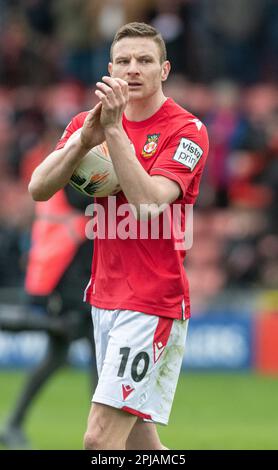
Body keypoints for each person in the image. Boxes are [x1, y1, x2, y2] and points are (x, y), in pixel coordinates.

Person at [28, 22, 209, 450]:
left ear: (164, 70)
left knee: (99, 441)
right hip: (104, 296)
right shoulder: (88, 122)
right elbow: (38, 188)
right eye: (124, 61)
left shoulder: (187, 131)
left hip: (152, 302)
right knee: (139, 444)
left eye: (145, 60)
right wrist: (83, 140)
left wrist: (112, 133)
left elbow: (148, 204)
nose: (133, 69)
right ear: (110, 68)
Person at [0, 185, 97, 449]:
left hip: (69, 275)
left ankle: (13, 423)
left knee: (59, 356)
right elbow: (92, 201)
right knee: (97, 353)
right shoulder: (73, 179)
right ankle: (104, 432)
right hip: (68, 279)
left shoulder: (67, 170)